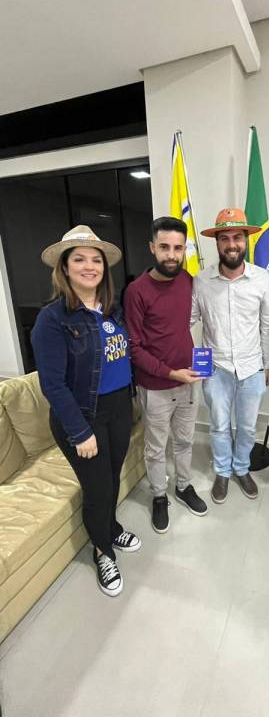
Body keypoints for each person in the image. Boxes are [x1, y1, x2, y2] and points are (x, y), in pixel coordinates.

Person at [31, 225, 141, 598]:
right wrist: (80, 431)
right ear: (64, 267)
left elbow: (122, 357)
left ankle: (110, 528)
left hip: (118, 408)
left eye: (96, 260)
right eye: (79, 259)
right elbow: (52, 384)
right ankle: (102, 550)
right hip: (83, 415)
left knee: (111, 477)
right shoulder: (53, 319)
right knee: (97, 487)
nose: (89, 266)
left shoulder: (113, 309)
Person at [124, 216, 207, 534]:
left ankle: (183, 486)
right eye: (164, 247)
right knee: (156, 448)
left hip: (189, 382)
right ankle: (159, 495)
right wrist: (171, 372)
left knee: (184, 441)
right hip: (156, 386)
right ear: (152, 248)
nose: (172, 255)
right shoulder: (136, 291)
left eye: (178, 248)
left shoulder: (188, 280)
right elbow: (134, 348)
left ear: (185, 249)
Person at [192, 208, 269, 503]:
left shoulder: (262, 279)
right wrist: (195, 363)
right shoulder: (201, 281)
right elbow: (188, 321)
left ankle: (241, 468)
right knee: (218, 426)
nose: (231, 244)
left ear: (246, 240)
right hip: (216, 368)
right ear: (216, 242)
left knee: (248, 427)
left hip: (252, 367)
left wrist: (267, 364)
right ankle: (223, 471)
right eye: (224, 238)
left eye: (237, 237)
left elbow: (267, 325)